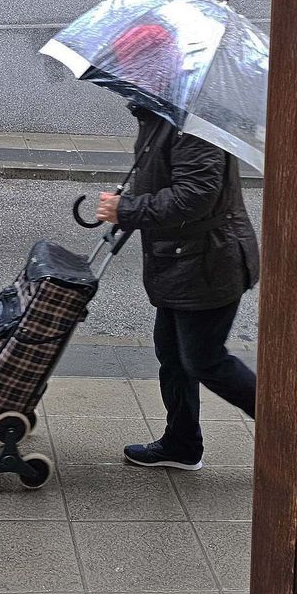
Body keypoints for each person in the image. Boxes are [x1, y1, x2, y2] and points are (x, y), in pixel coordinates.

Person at [97, 103, 260, 470]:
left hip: (208, 263)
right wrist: (128, 205)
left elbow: (195, 195)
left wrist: (128, 209)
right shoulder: (161, 114)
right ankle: (182, 444)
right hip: (181, 259)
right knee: (172, 353)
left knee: (204, 359)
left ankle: (291, 431)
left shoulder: (194, 123)